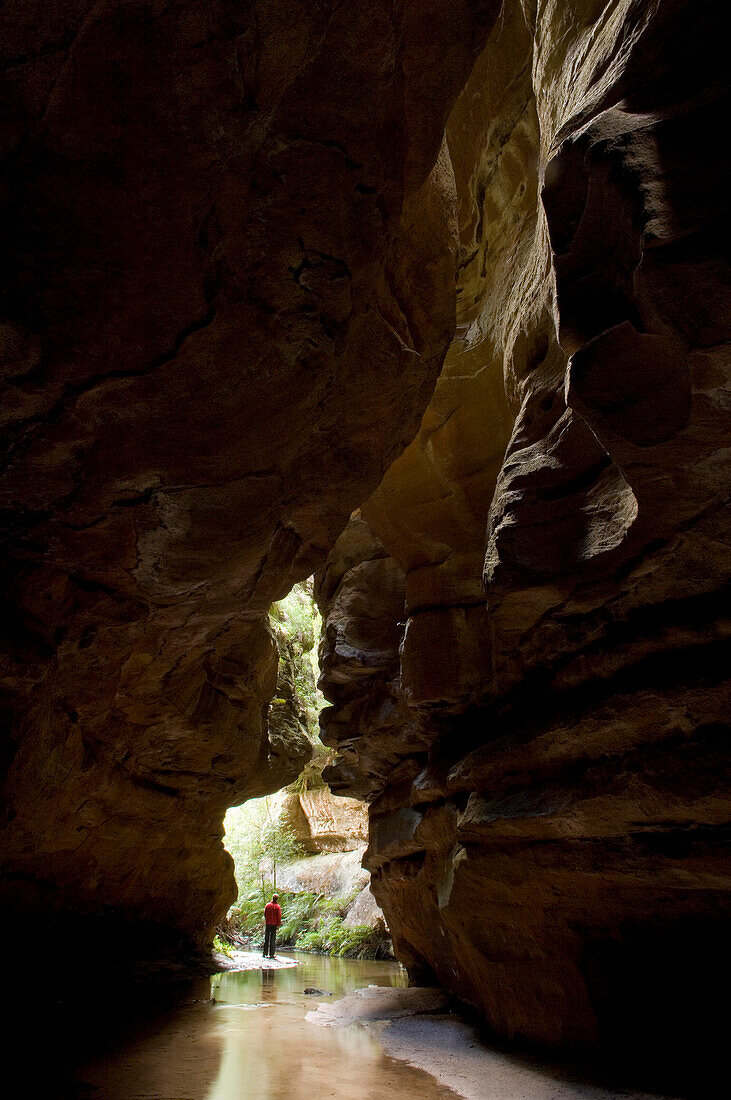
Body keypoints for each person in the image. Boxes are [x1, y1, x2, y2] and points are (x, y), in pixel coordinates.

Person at [263, 893, 282, 959]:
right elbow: (279, 917)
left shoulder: (267, 905)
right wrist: (278, 925)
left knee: (266, 939)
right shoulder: (277, 907)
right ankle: (271, 955)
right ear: (277, 899)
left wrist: (267, 920)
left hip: (268, 924)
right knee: (272, 940)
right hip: (274, 925)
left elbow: (265, 914)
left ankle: (264, 954)